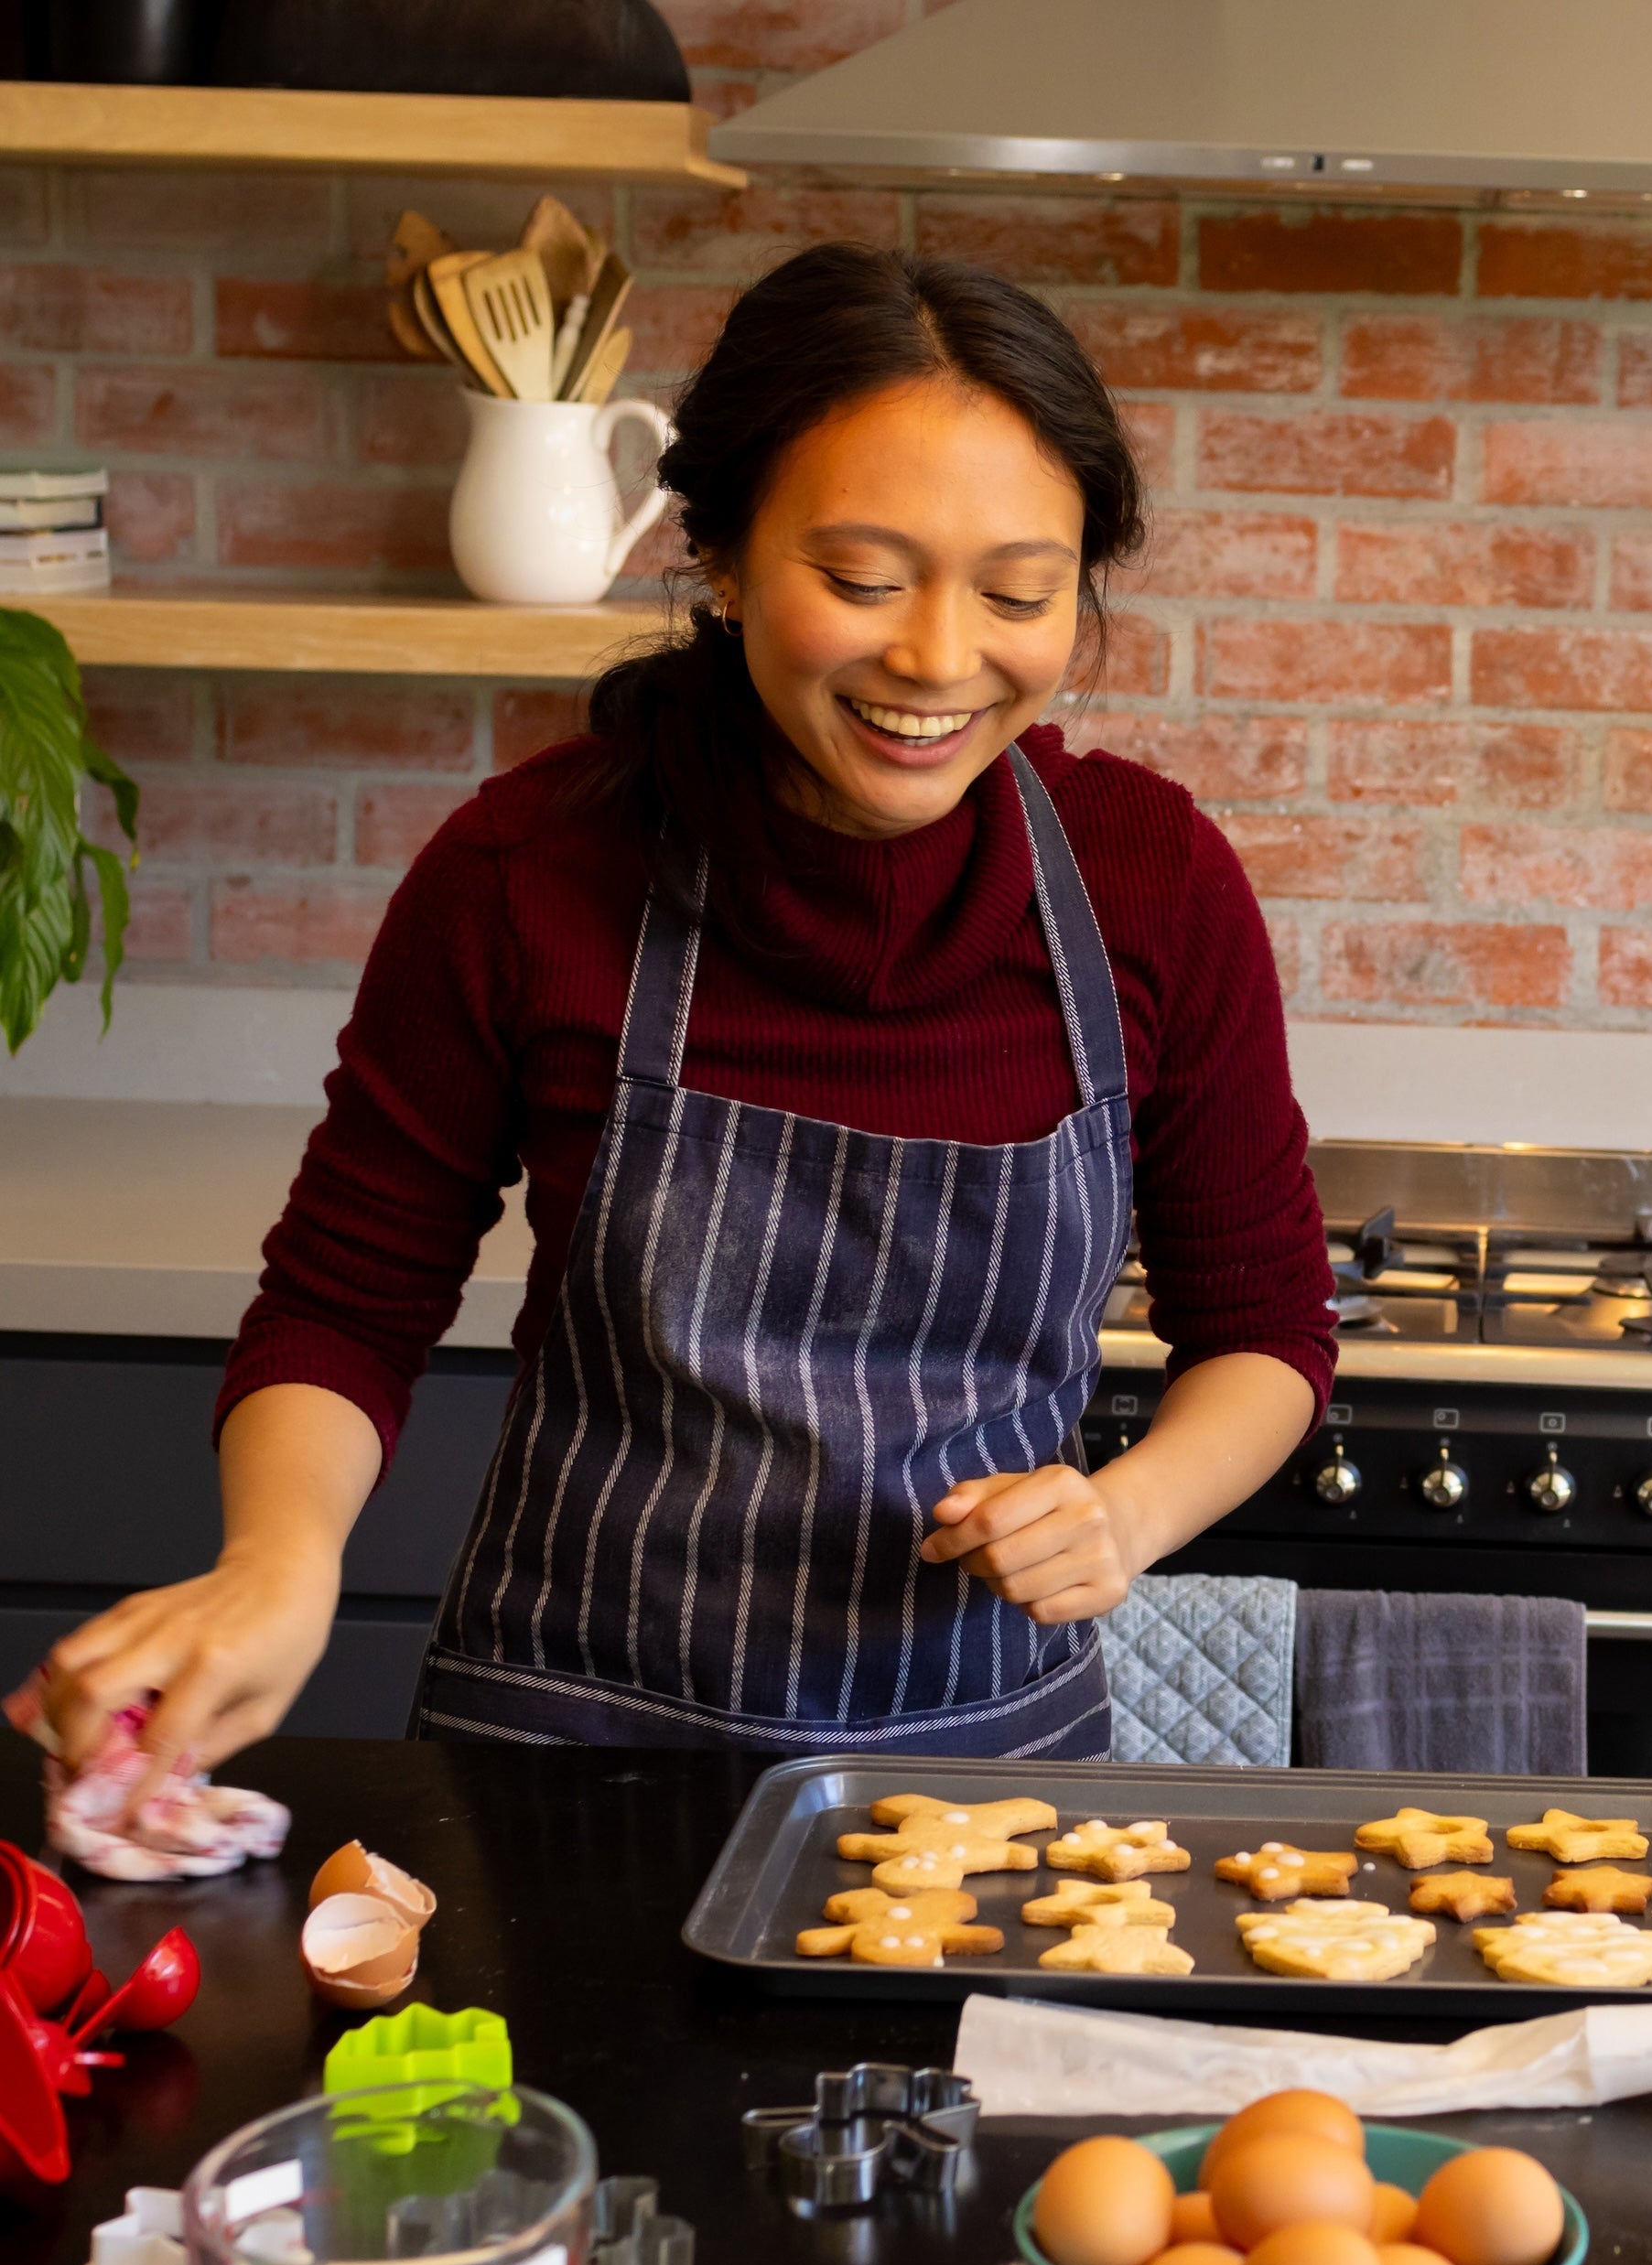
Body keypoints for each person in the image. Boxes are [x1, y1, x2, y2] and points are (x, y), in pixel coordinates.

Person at [42, 244, 1333, 1773]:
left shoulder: (1151, 881)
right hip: (563, 1755)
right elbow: (343, 1301)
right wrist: (278, 1562)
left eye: (1017, 592)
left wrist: (1125, 1510)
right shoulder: (528, 871)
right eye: (859, 579)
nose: (936, 656)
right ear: (718, 556)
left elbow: (1263, 1332)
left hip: (982, 1787)